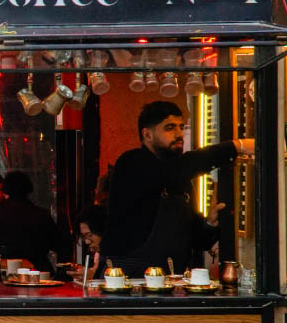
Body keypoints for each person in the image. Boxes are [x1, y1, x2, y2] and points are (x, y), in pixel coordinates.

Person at [103, 101, 254, 276]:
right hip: (129, 276)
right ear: (147, 135)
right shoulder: (132, 163)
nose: (179, 134)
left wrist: (210, 223)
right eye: (169, 128)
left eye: (181, 127)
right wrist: (237, 146)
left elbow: (198, 241)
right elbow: (181, 167)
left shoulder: (179, 179)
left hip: (172, 278)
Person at [0, 171, 64, 273]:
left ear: (5, 190)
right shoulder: (41, 214)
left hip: (4, 271)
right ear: (28, 189)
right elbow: (57, 244)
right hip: (37, 271)